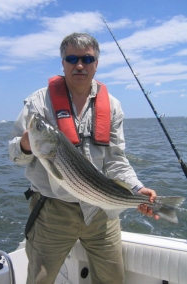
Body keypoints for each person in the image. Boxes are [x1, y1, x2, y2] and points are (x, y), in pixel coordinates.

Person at [9, 32, 159, 284]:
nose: (80, 65)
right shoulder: (38, 103)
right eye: (72, 58)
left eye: (87, 59)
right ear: (63, 63)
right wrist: (25, 144)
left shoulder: (111, 105)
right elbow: (15, 156)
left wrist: (136, 188)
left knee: (112, 280)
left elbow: (115, 159)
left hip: (102, 210)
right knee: (39, 280)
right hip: (52, 211)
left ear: (96, 63)